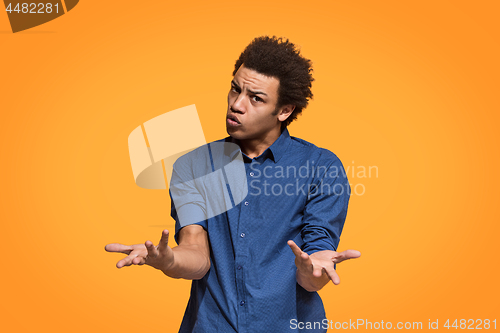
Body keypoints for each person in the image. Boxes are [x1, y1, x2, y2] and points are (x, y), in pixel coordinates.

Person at [105, 36, 360, 333]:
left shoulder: (321, 167)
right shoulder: (194, 166)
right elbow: (197, 256)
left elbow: (316, 264)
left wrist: (314, 270)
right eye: (235, 89)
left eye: (256, 98)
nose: (237, 104)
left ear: (284, 111)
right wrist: (168, 260)